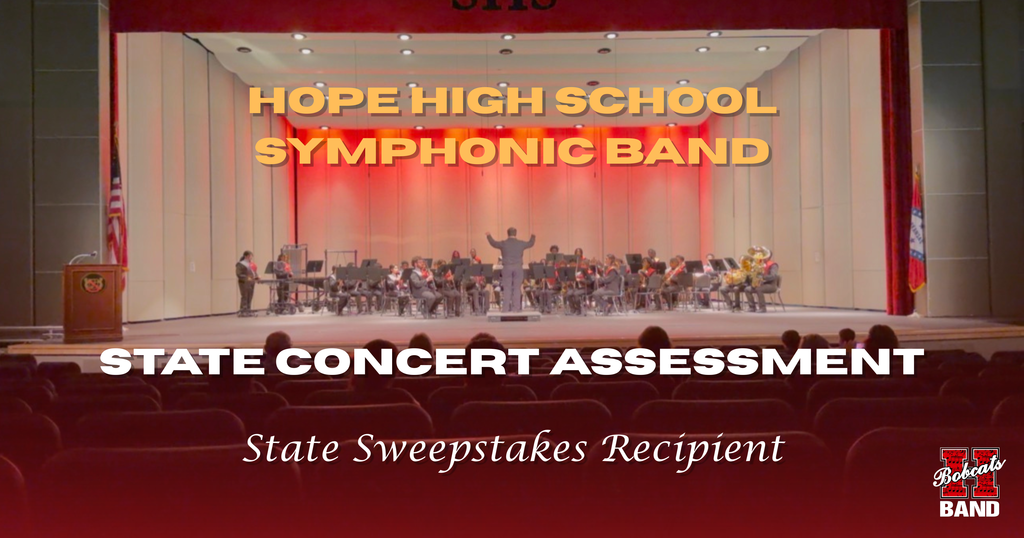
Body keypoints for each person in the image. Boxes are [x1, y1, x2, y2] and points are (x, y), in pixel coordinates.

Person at [486, 227, 536, 313]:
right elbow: (530, 243)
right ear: (515, 233)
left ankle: (505, 309)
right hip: (518, 267)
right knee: (517, 288)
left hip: (507, 267)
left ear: (507, 233)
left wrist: (488, 236)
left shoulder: (504, 243)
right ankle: (516, 309)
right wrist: (533, 236)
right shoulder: (521, 243)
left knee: (507, 288)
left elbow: (493, 243)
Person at [235, 251, 259, 316]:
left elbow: (254, 272)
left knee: (250, 296)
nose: (251, 257)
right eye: (250, 256)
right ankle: (243, 310)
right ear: (246, 256)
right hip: (244, 282)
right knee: (245, 296)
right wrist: (248, 277)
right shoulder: (241, 264)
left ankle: (248, 309)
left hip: (251, 281)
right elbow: (239, 274)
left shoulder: (251, 264)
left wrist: (256, 277)